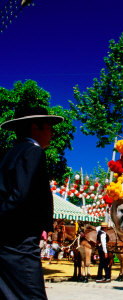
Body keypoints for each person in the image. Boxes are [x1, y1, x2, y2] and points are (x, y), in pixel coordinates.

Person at [0, 106, 64, 299]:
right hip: (19, 239)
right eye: (49, 127)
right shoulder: (33, 152)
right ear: (35, 128)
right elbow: (21, 194)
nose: (52, 132)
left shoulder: (9, 155)